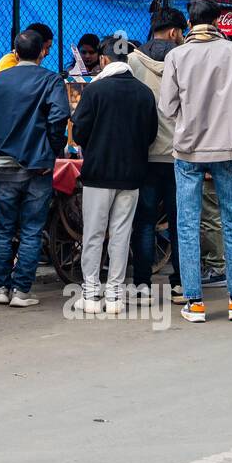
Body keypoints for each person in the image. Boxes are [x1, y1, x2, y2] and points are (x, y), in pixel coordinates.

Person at [159, 0, 232, 323]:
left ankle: (195, 303)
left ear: (189, 21)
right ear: (217, 20)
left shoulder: (176, 55)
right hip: (230, 149)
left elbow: (167, 107)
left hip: (188, 151)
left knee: (187, 223)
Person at [0, 27, 70, 307]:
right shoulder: (51, 80)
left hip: (3, 165)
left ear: (15, 52)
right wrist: (52, 151)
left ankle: (0, 289)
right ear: (43, 52)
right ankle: (21, 291)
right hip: (38, 167)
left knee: (3, 229)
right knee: (32, 229)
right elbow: (59, 117)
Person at [71, 34, 158, 315]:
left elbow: (80, 132)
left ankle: (91, 294)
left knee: (94, 234)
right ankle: (116, 296)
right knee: (122, 235)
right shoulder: (144, 93)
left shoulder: (95, 91)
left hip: (98, 174)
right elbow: (151, 135)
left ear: (104, 59)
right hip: (132, 175)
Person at [127, 7, 186, 303]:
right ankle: (180, 284)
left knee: (145, 221)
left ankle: (141, 284)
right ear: (175, 32)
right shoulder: (185, 59)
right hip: (180, 156)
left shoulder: (132, 61)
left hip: (145, 156)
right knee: (181, 221)